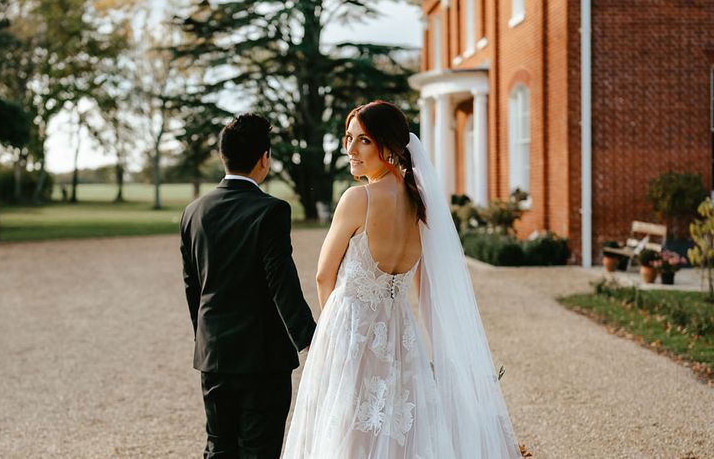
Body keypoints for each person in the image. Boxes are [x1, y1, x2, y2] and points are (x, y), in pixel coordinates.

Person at [283, 100, 521, 458]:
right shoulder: (421, 204)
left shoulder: (357, 199)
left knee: (346, 434)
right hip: (400, 335)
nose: (350, 149)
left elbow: (322, 275)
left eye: (363, 140)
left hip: (350, 331)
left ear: (390, 146)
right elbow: (428, 290)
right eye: (349, 138)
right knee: (397, 434)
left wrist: (334, 338)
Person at [179, 113, 316, 459]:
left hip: (213, 354)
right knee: (259, 451)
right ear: (264, 158)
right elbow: (280, 280)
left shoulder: (194, 211)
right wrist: (310, 339)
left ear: (223, 156)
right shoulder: (271, 211)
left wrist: (206, 335)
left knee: (219, 447)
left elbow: (191, 284)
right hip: (262, 358)